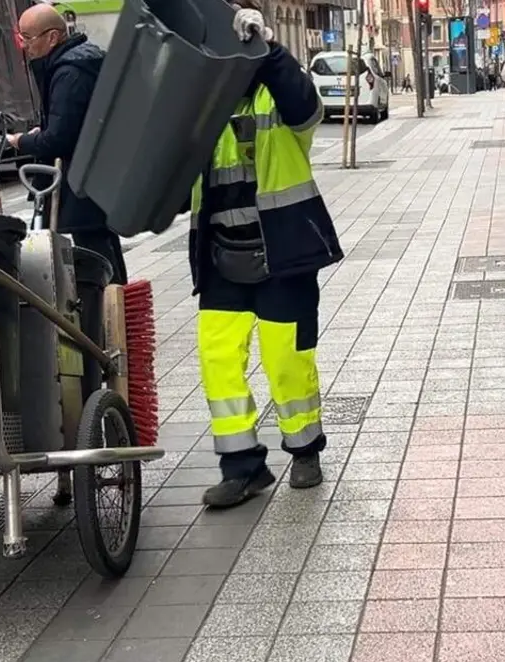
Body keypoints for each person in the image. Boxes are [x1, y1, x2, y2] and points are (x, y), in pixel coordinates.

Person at [189, 1, 343, 509]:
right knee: (218, 361)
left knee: (287, 360)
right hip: (221, 255)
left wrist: (271, 49)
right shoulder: (204, 105)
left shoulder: (280, 99)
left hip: (283, 252)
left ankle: (304, 451)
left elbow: (306, 104)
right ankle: (242, 467)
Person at [7, 4, 127, 285]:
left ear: (52, 37)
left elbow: (60, 139)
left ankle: (105, 312)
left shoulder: (69, 72)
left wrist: (21, 141)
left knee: (94, 252)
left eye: (28, 37)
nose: (24, 46)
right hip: (95, 174)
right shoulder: (80, 62)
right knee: (103, 242)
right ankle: (116, 310)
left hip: (81, 179)